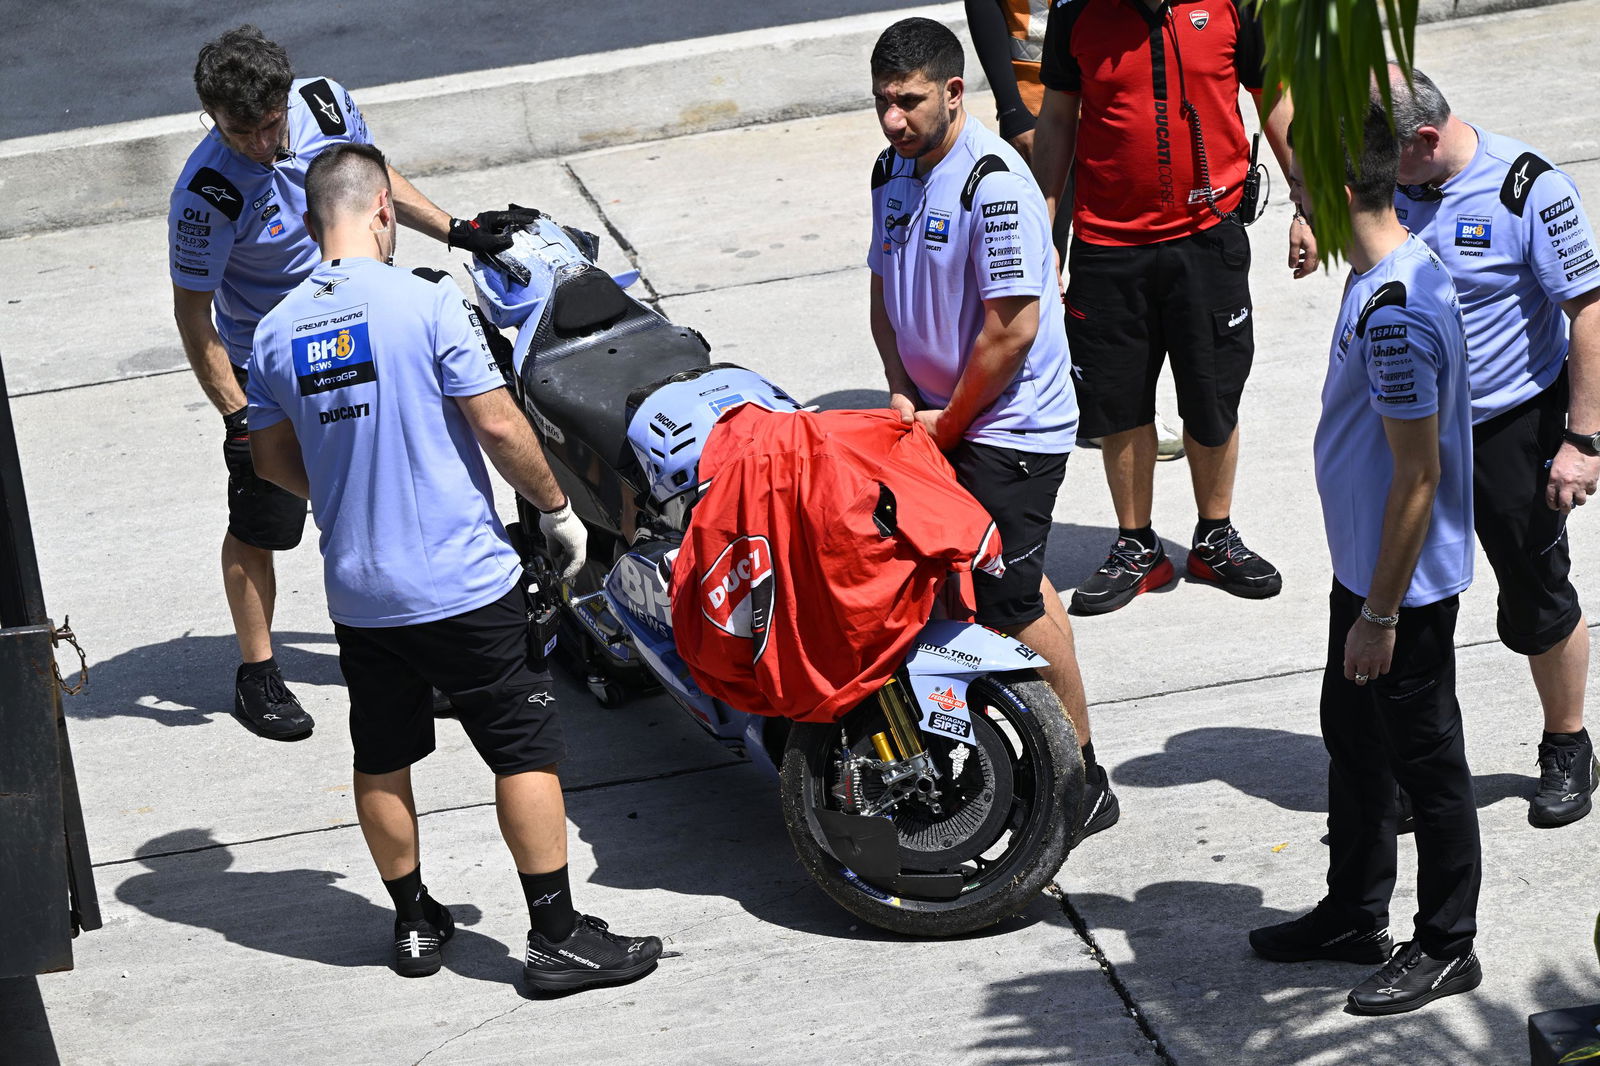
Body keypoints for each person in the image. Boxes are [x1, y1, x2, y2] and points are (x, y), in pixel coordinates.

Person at [247, 143, 662, 991]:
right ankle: (555, 937)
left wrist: (338, 488)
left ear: (309, 220)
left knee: (383, 755)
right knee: (522, 751)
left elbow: (268, 460)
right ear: (383, 214)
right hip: (464, 585)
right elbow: (501, 428)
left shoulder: (276, 329)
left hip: (362, 595)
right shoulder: (424, 305)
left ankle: (411, 924)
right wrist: (555, 514)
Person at [170, 26, 526, 740]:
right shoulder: (205, 195)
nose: (263, 144)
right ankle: (257, 671)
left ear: (287, 96)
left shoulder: (327, 108)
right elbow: (193, 314)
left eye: (272, 124)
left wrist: (457, 230)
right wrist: (238, 415)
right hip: (271, 367)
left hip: (364, 336)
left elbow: (374, 183)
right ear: (213, 115)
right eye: (242, 131)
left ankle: (408, 657)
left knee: (389, 490)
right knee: (264, 519)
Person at [1251, 98, 1482, 1016]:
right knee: (1352, 743)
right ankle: (1354, 912)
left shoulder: (1394, 311)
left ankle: (1446, 945)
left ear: (1345, 189)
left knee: (1428, 765)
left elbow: (1418, 478)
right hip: (1365, 571)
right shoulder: (1389, 263)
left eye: (1303, 178)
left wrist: (1382, 615)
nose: (1292, 189)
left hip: (1403, 588)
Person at [866, 17, 1117, 840]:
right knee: (989, 580)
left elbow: (1011, 329)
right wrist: (902, 392)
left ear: (951, 92)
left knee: (1008, 597)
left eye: (907, 103)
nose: (894, 121)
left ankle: (1083, 777)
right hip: (939, 416)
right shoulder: (890, 170)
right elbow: (883, 293)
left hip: (1009, 424)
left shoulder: (993, 183)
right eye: (881, 104)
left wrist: (949, 425)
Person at [1029, 0, 1316, 616]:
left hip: (1208, 236)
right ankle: (1137, 547)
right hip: (1107, 246)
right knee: (1118, 398)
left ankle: (1214, 536)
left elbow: (1275, 102)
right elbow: (1056, 121)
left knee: (1213, 393)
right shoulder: (1075, 10)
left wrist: (1308, 200)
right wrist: (1044, 236)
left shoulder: (1236, 4)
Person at [1385, 65, 1599, 828]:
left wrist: (1582, 439)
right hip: (1414, 432)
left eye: (1390, 155)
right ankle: (1425, 766)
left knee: (1537, 600)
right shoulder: (1392, 178)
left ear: (1429, 138)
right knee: (1412, 603)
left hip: (1512, 426)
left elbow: (1588, 313)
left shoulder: (1530, 189)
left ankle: (1567, 744)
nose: (1376, 173)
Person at [962, 0, 1186, 462]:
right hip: (1041, 106)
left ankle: (1111, 405)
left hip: (1115, 95)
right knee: (1043, 263)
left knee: (1117, 260)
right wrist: (1012, 106)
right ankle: (1048, 399)